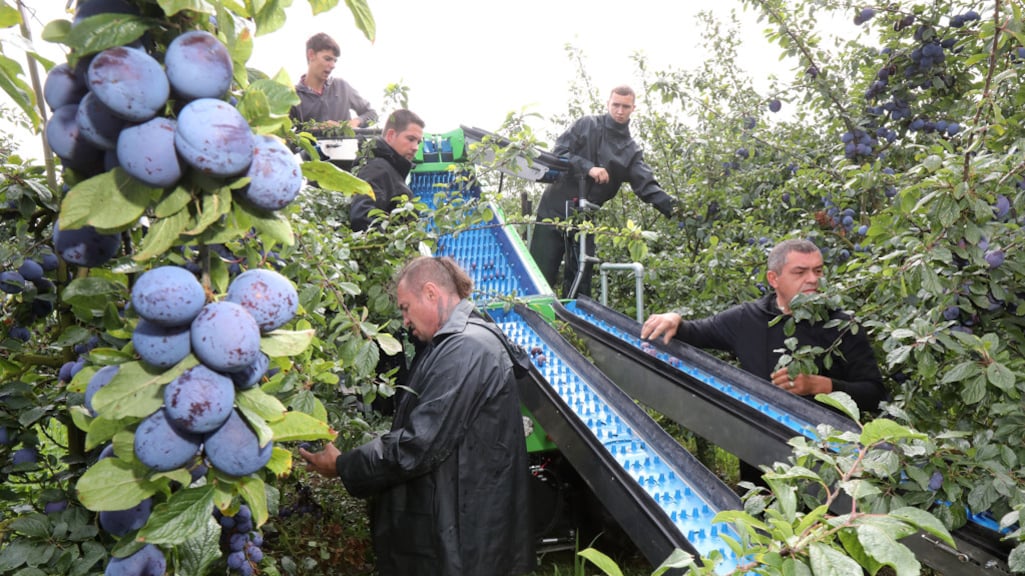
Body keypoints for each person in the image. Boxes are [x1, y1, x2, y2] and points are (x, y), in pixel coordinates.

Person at [299, 256, 535, 576]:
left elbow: (417, 445)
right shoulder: (454, 344)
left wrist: (343, 465)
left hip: (466, 541)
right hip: (463, 527)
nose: (405, 321)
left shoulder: (466, 350)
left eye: (406, 308)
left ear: (431, 293)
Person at [640, 239, 887, 411]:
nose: (812, 279)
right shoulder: (746, 319)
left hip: (826, 461)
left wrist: (822, 386)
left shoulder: (842, 326)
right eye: (800, 272)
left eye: (818, 271)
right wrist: (673, 317)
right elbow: (692, 333)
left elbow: (874, 394)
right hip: (758, 456)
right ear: (774, 279)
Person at [529, 85, 677, 298]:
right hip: (553, 211)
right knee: (539, 275)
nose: (619, 110)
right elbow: (560, 152)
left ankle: (572, 327)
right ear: (608, 104)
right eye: (615, 105)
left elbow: (648, 187)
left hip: (585, 218)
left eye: (625, 106)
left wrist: (681, 212)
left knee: (581, 281)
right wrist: (588, 167)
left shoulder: (631, 150)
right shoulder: (587, 125)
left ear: (633, 108)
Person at [348, 109, 425, 232]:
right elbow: (362, 218)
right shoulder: (378, 168)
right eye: (411, 139)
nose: (416, 147)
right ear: (390, 135)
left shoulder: (391, 170)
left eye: (418, 142)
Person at [290, 32, 378, 128]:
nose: (332, 66)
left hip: (346, 143)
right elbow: (285, 135)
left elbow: (372, 114)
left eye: (334, 61)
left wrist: (356, 121)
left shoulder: (342, 87)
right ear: (311, 55)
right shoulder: (293, 96)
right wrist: (316, 129)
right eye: (327, 59)